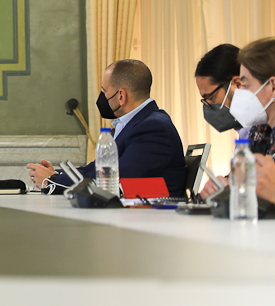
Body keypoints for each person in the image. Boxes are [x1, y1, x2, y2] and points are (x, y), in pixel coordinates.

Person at [26, 59, 187, 197]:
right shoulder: (135, 123)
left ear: (121, 96)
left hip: (149, 221)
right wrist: (57, 175)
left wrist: (52, 181)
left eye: (104, 91)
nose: (102, 97)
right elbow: (95, 169)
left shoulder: (153, 128)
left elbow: (111, 180)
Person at [201, 37, 275, 201]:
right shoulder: (259, 130)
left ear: (273, 87)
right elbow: (248, 181)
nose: (240, 92)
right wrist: (224, 186)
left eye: (246, 86)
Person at [194, 44, 249, 138]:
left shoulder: (266, 128)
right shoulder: (245, 130)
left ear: (237, 84)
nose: (208, 106)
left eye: (211, 97)